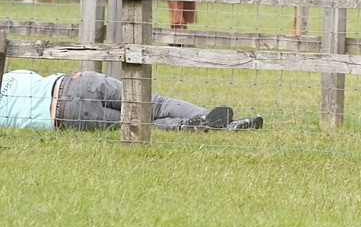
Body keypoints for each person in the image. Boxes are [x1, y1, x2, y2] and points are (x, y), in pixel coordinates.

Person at [0, 69, 263, 131]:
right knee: (154, 103)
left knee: (139, 126)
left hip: (64, 113)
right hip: (76, 82)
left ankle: (190, 126)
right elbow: (33, 75)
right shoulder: (11, 75)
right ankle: (216, 119)